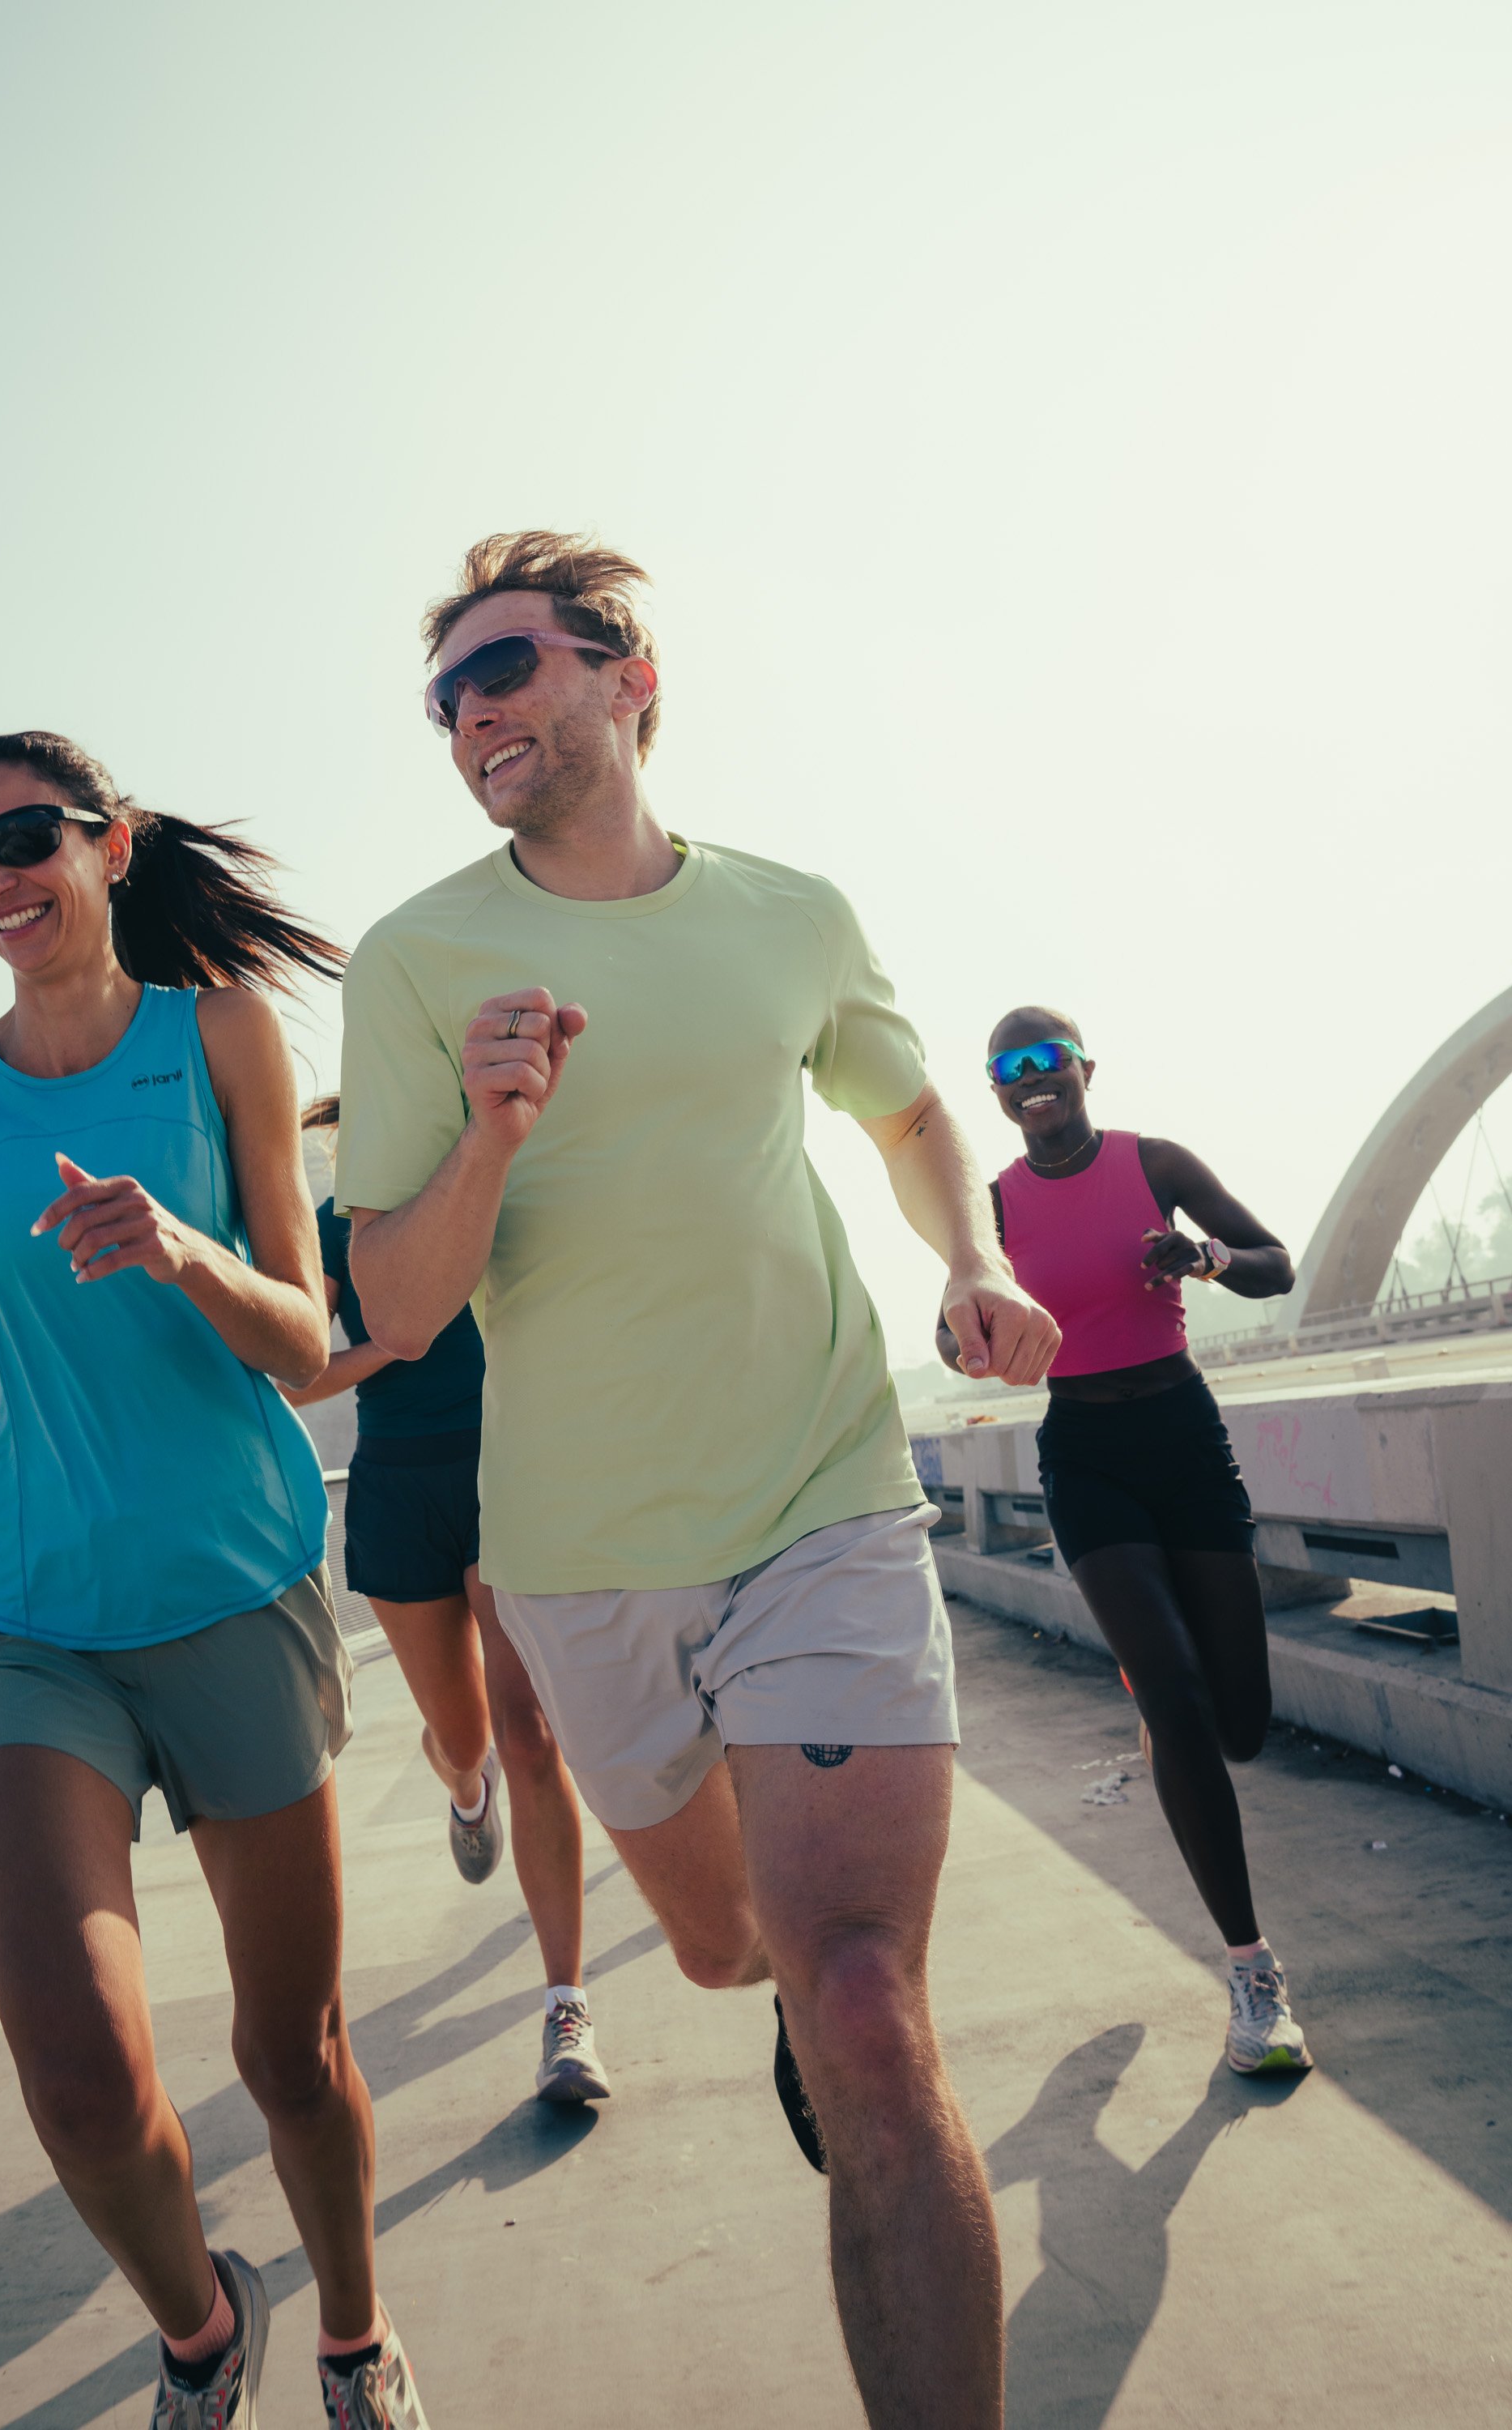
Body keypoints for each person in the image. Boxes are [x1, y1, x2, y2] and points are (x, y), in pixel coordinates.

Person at [335, 532, 1059, 2428]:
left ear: (624, 676)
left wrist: (967, 1263)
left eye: (505, 668)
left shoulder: (788, 915)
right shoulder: (415, 960)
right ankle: (792, 2016)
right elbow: (398, 1304)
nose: (472, 711)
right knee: (736, 1950)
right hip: (580, 1562)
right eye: (445, 694)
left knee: (868, 2013)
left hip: (818, 1502)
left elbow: (905, 1112)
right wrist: (489, 1130)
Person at [0, 731, 431, 2430]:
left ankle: (357, 2341)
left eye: (24, 842)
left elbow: (309, 1336)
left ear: (109, 845)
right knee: (78, 2079)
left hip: (234, 1586)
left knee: (290, 2055)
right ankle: (207, 2330)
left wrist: (184, 1246)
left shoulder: (218, 1035)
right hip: (24, 1621)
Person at [939, 1009, 1312, 2077]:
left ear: (1083, 1070)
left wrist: (1202, 1254)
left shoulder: (1156, 1162)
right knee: (1179, 1699)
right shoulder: (996, 1206)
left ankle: (1168, 1718)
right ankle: (1252, 1977)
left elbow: (1276, 1265)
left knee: (1238, 1724)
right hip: (1085, 1452)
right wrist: (959, 1336)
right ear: (998, 1096)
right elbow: (956, 1315)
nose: (1031, 1079)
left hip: (1185, 1440)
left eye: (1046, 1058)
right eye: (1009, 1070)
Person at [285, 1096, 611, 2105]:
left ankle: (567, 2009)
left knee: (531, 1732)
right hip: (396, 1484)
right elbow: (297, 1374)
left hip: (508, 1474)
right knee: (468, 1738)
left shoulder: (510, 1175)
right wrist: (394, 1341)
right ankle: (465, 1790)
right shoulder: (338, 1209)